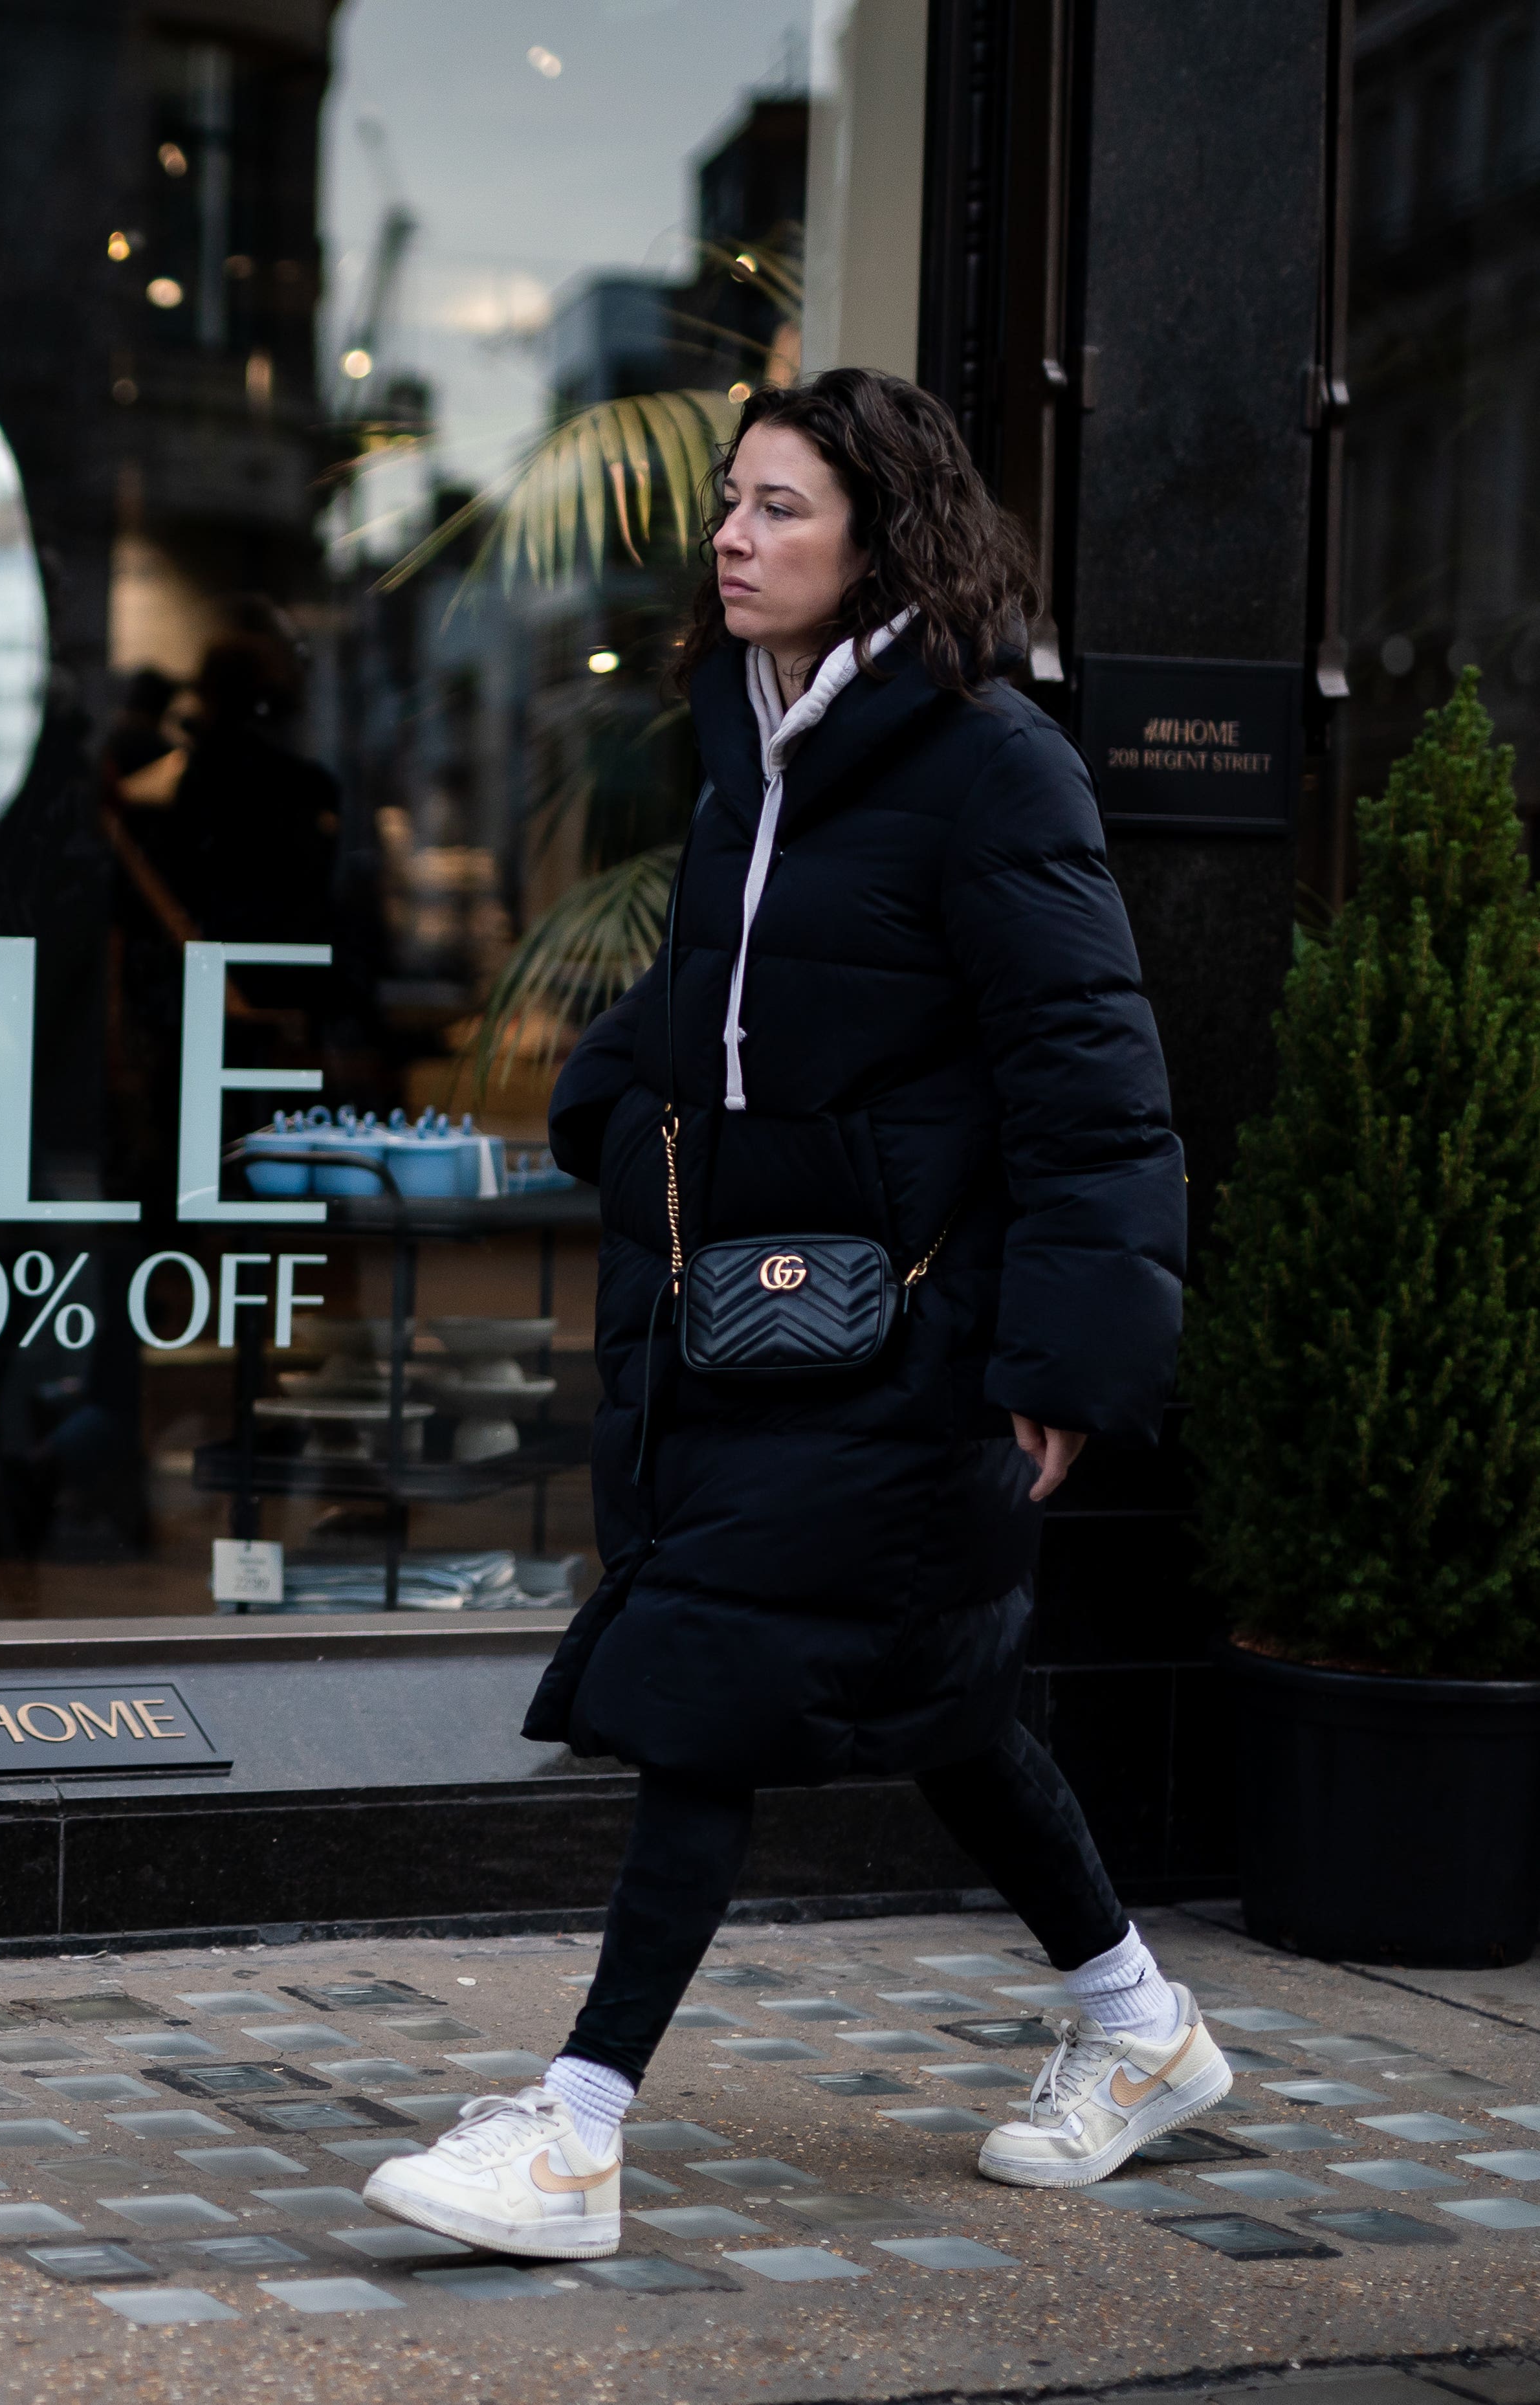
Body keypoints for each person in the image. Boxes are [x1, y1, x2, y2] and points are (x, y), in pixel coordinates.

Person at [364, 369, 1210, 2259]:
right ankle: (1144, 2024)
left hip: (914, 1329)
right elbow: (715, 984)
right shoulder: (755, 742)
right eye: (730, 504)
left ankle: (577, 2128)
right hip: (755, 1315)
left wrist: (1067, 1360)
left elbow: (1092, 1077)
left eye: (777, 509)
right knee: (947, 1692)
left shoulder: (999, 763)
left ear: (882, 538)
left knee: (711, 1686)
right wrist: (608, 1098)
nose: (732, 539)